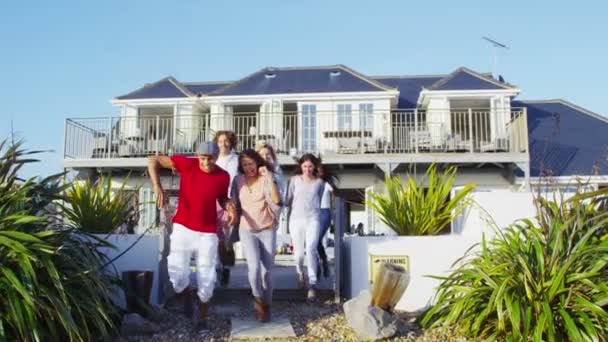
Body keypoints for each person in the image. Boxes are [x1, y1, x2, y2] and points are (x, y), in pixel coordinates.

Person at [147, 142, 236, 330]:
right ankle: (187, 294)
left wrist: (229, 206)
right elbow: (153, 160)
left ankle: (202, 319)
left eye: (209, 159)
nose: (205, 162)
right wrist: (157, 187)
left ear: (216, 157)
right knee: (176, 275)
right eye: (202, 158)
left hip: (208, 233)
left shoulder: (223, 176)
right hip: (183, 228)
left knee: (207, 277)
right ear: (197, 156)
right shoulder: (187, 164)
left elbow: (221, 196)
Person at [231, 149, 281, 322]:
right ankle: (258, 300)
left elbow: (276, 200)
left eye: (251, 163)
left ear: (257, 162)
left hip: (267, 229)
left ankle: (268, 304)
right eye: (244, 164)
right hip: (247, 230)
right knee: (254, 269)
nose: (248, 167)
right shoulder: (237, 181)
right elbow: (233, 203)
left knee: (267, 272)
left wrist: (268, 176)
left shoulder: (266, 177)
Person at [284, 154, 325, 300]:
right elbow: (287, 200)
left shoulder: (320, 183)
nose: (307, 169)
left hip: (313, 219)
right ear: (301, 166)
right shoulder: (294, 180)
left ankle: (312, 283)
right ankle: (300, 271)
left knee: (311, 248)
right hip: (296, 219)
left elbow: (318, 200)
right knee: (299, 254)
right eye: (305, 166)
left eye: (310, 166)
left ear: (314, 167)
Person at [214, 130, 239, 286]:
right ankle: (219, 266)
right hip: (214, 201)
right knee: (216, 236)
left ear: (231, 142)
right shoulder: (213, 159)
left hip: (231, 201)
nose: (223, 144)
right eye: (220, 141)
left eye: (226, 141)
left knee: (227, 238)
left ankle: (226, 266)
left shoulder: (237, 160)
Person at [317, 165, 337, 278]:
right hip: (314, 213)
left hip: (325, 212)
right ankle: (322, 262)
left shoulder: (327, 184)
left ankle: (322, 262)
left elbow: (334, 197)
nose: (318, 173)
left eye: (320, 171)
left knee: (317, 239)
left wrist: (333, 211)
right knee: (314, 241)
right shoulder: (312, 184)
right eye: (317, 171)